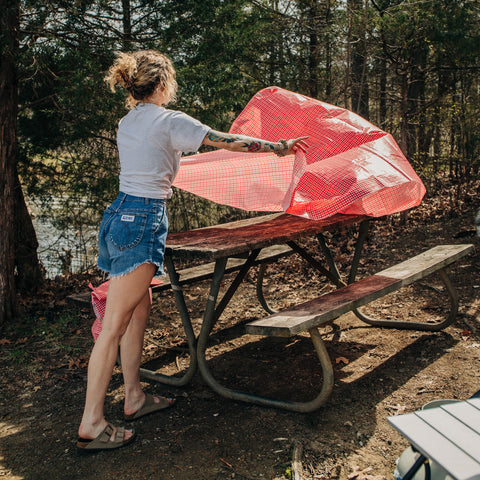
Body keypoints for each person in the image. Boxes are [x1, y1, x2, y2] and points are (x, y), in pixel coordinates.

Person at [77, 49, 308, 452]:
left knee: (137, 311)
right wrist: (280, 146)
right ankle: (92, 423)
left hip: (119, 216)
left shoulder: (128, 121)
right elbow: (228, 141)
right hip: (144, 217)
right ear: (163, 84)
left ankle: (133, 397)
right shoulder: (170, 121)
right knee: (114, 324)